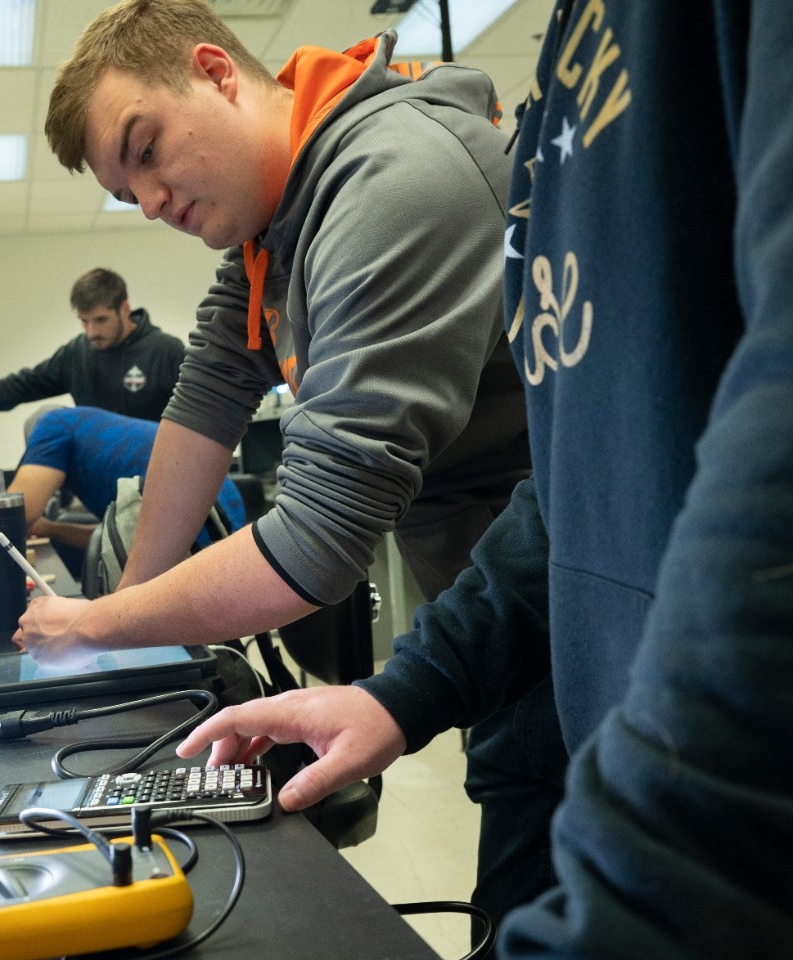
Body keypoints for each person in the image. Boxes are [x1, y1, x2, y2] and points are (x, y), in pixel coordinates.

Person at [177, 0, 793, 954]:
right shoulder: (571, 64)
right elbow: (575, 465)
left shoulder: (393, 175)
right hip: (575, 731)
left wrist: (661, 887)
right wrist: (406, 691)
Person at [24, 0, 557, 923]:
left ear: (217, 73)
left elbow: (315, 545)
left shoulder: (390, 183)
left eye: (145, 149)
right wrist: (124, 615)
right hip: (496, 629)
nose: (149, 203)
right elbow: (208, 396)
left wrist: (96, 630)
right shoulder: (275, 223)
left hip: (577, 623)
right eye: (127, 193)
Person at [0, 268, 185, 422]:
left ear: (125, 309)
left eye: (101, 320)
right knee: (45, 418)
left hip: (156, 473)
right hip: (100, 473)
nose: (92, 331)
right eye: (84, 322)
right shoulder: (78, 353)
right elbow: (21, 386)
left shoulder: (166, 351)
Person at [7, 405, 246, 554]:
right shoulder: (94, 431)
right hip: (226, 522)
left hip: (191, 529)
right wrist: (50, 529)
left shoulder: (51, 424)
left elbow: (12, 515)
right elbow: (115, 539)